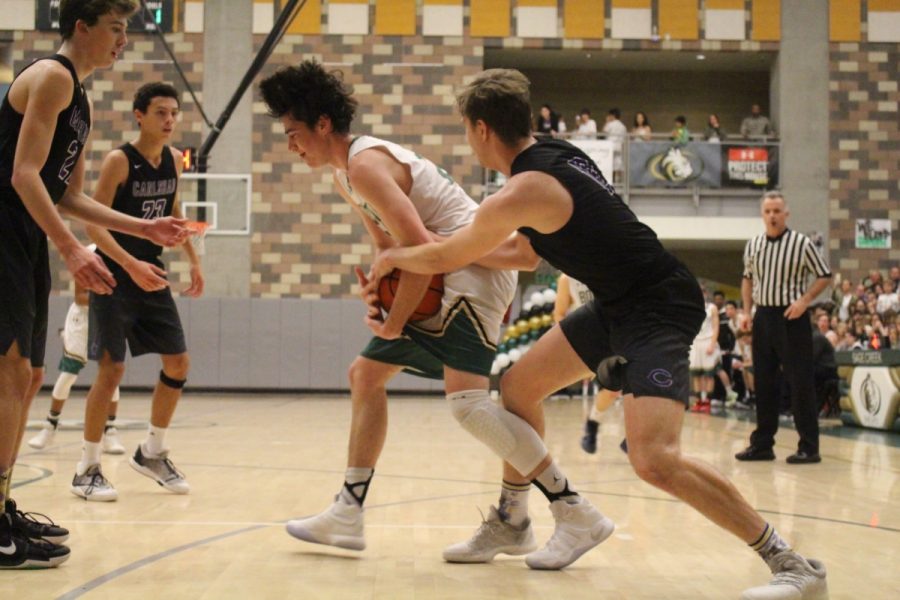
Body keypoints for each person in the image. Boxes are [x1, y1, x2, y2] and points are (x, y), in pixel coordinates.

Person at [369, 68, 827, 599]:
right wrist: (426, 255)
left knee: (654, 459)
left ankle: (792, 564)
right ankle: (514, 521)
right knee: (517, 388)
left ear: (481, 130)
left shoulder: (522, 190)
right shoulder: (559, 157)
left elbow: (451, 254)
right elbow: (521, 253)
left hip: (658, 305)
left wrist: (394, 256)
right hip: (617, 304)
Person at [260, 60, 612, 570]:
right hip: (446, 266)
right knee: (365, 375)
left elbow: (421, 251)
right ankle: (348, 512)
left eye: (294, 133)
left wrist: (397, 320)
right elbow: (390, 246)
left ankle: (573, 509)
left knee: (468, 403)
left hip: (473, 270)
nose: (290, 145)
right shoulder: (347, 175)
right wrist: (378, 293)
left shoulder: (365, 165)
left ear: (321, 125)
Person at [0, 0, 187, 568]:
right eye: (115, 27)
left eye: (126, 29)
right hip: (6, 230)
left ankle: (4, 507)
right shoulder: (52, 77)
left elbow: (68, 196)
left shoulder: (80, 97)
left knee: (31, 375)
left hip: (27, 235)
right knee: (10, 374)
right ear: (81, 26)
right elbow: (23, 174)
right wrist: (71, 247)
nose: (123, 39)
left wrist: (141, 226)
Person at [71, 82, 202, 502]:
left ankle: (152, 452)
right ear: (139, 116)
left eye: (174, 114)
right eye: (161, 112)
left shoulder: (170, 162)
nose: (169, 121)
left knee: (178, 362)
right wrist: (128, 263)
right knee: (111, 370)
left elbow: (174, 214)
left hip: (152, 274)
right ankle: (87, 468)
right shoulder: (118, 161)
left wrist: (195, 261)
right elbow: (93, 224)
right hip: (113, 274)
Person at [737, 191, 831, 465]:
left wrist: (805, 300)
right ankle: (763, 444)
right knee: (764, 382)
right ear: (762, 214)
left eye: (777, 211)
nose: (773, 216)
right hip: (763, 317)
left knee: (800, 382)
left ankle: (809, 447)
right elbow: (747, 279)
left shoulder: (801, 243)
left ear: (786, 213)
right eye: (768, 211)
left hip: (792, 317)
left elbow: (824, 275)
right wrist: (745, 312)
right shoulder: (753, 244)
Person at [27, 273, 124, 453]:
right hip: (82, 320)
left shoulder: (122, 260)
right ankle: (50, 425)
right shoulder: (90, 256)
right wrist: (109, 299)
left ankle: (110, 430)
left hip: (106, 320)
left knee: (111, 374)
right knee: (68, 374)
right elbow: (80, 298)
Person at [553, 274, 618, 453]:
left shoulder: (610, 271)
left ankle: (593, 424)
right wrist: (569, 342)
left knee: (616, 389)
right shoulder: (567, 279)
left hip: (611, 336)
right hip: (583, 337)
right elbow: (559, 313)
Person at [689, 293, 719, 413]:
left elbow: (716, 327)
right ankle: (698, 401)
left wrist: (712, 343)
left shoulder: (712, 308)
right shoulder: (692, 307)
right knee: (696, 374)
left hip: (708, 341)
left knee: (708, 374)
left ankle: (707, 401)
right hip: (696, 342)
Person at [601, 108, 627, 181]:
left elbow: (604, 131)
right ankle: (618, 180)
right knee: (617, 163)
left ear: (613, 115)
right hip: (619, 147)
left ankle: (611, 180)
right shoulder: (623, 126)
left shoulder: (610, 124)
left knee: (610, 163)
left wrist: (607, 121)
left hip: (610, 146)